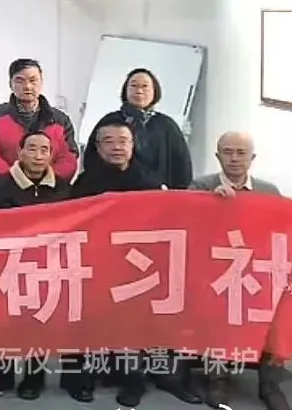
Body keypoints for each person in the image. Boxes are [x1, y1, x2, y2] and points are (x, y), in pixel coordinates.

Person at [65, 112, 163, 407]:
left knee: (131, 324)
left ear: (133, 145)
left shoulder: (149, 182)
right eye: (108, 141)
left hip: (136, 264)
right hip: (94, 262)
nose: (117, 147)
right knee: (85, 320)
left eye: (123, 141)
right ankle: (80, 378)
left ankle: (132, 380)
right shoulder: (84, 182)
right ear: (97, 147)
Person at [192, 132, 285, 410]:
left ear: (252, 158)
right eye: (227, 151)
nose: (234, 158)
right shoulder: (201, 186)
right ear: (217, 155)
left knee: (274, 320)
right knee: (216, 320)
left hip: (258, 270)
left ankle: (270, 384)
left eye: (241, 153)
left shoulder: (268, 191)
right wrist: (210, 204)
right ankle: (217, 379)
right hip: (216, 270)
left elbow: (280, 230)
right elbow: (188, 226)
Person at [0, 130, 71, 400]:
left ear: (52, 155)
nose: (38, 155)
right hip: (4, 265)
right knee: (1, 321)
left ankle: (34, 377)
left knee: (38, 322)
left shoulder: (63, 190)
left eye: (44, 150)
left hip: (45, 267)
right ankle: (0, 374)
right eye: (31, 149)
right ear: (19, 152)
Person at [0, 58, 78, 180]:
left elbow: (69, 158)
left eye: (33, 80)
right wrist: (15, 180)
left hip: (51, 187)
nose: (27, 86)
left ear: (41, 83)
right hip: (7, 186)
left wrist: (48, 181)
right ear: (10, 84)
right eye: (20, 81)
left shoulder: (60, 120)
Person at [94, 68, 193, 190]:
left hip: (159, 193)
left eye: (145, 86)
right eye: (134, 86)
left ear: (155, 91)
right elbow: (92, 159)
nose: (139, 91)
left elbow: (181, 164)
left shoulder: (167, 125)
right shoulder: (110, 121)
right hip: (116, 192)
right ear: (125, 90)